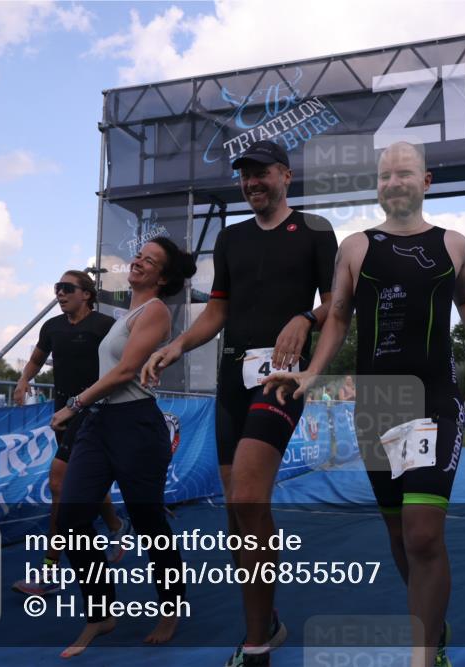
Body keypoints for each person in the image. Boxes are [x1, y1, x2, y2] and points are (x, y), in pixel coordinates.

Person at [262, 141, 465, 667]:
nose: (394, 183)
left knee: (421, 531)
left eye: (404, 174)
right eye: (385, 176)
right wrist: (311, 373)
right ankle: (431, 627)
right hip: (377, 405)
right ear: (378, 186)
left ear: (427, 181)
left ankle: (422, 653)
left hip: (432, 399)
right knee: (399, 533)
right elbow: (340, 318)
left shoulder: (453, 244)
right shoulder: (356, 247)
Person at [141, 140, 337, 667]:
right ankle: (267, 621)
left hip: (282, 378)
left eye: (260, 174)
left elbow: (338, 303)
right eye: (244, 176)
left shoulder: (316, 231)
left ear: (285, 176)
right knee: (237, 508)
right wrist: (177, 344)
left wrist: (306, 319)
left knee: (249, 495)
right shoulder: (229, 238)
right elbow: (217, 311)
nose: (251, 183)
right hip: (231, 381)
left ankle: (254, 646)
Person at [50, 238, 195, 657]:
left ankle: (170, 606)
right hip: (99, 425)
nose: (138, 261)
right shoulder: (122, 316)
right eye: (139, 255)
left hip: (134, 423)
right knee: (74, 516)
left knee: (149, 522)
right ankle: (100, 612)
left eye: (150, 260)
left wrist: (75, 404)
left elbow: (128, 370)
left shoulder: (155, 312)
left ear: (162, 277)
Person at [11, 270, 128, 596]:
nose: (60, 294)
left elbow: (124, 363)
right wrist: (23, 380)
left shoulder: (104, 326)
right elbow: (36, 359)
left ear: (86, 294)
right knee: (82, 478)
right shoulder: (52, 327)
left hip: (94, 411)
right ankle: (118, 527)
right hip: (62, 413)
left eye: (67, 288)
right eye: (57, 288)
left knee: (60, 484)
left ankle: (49, 570)